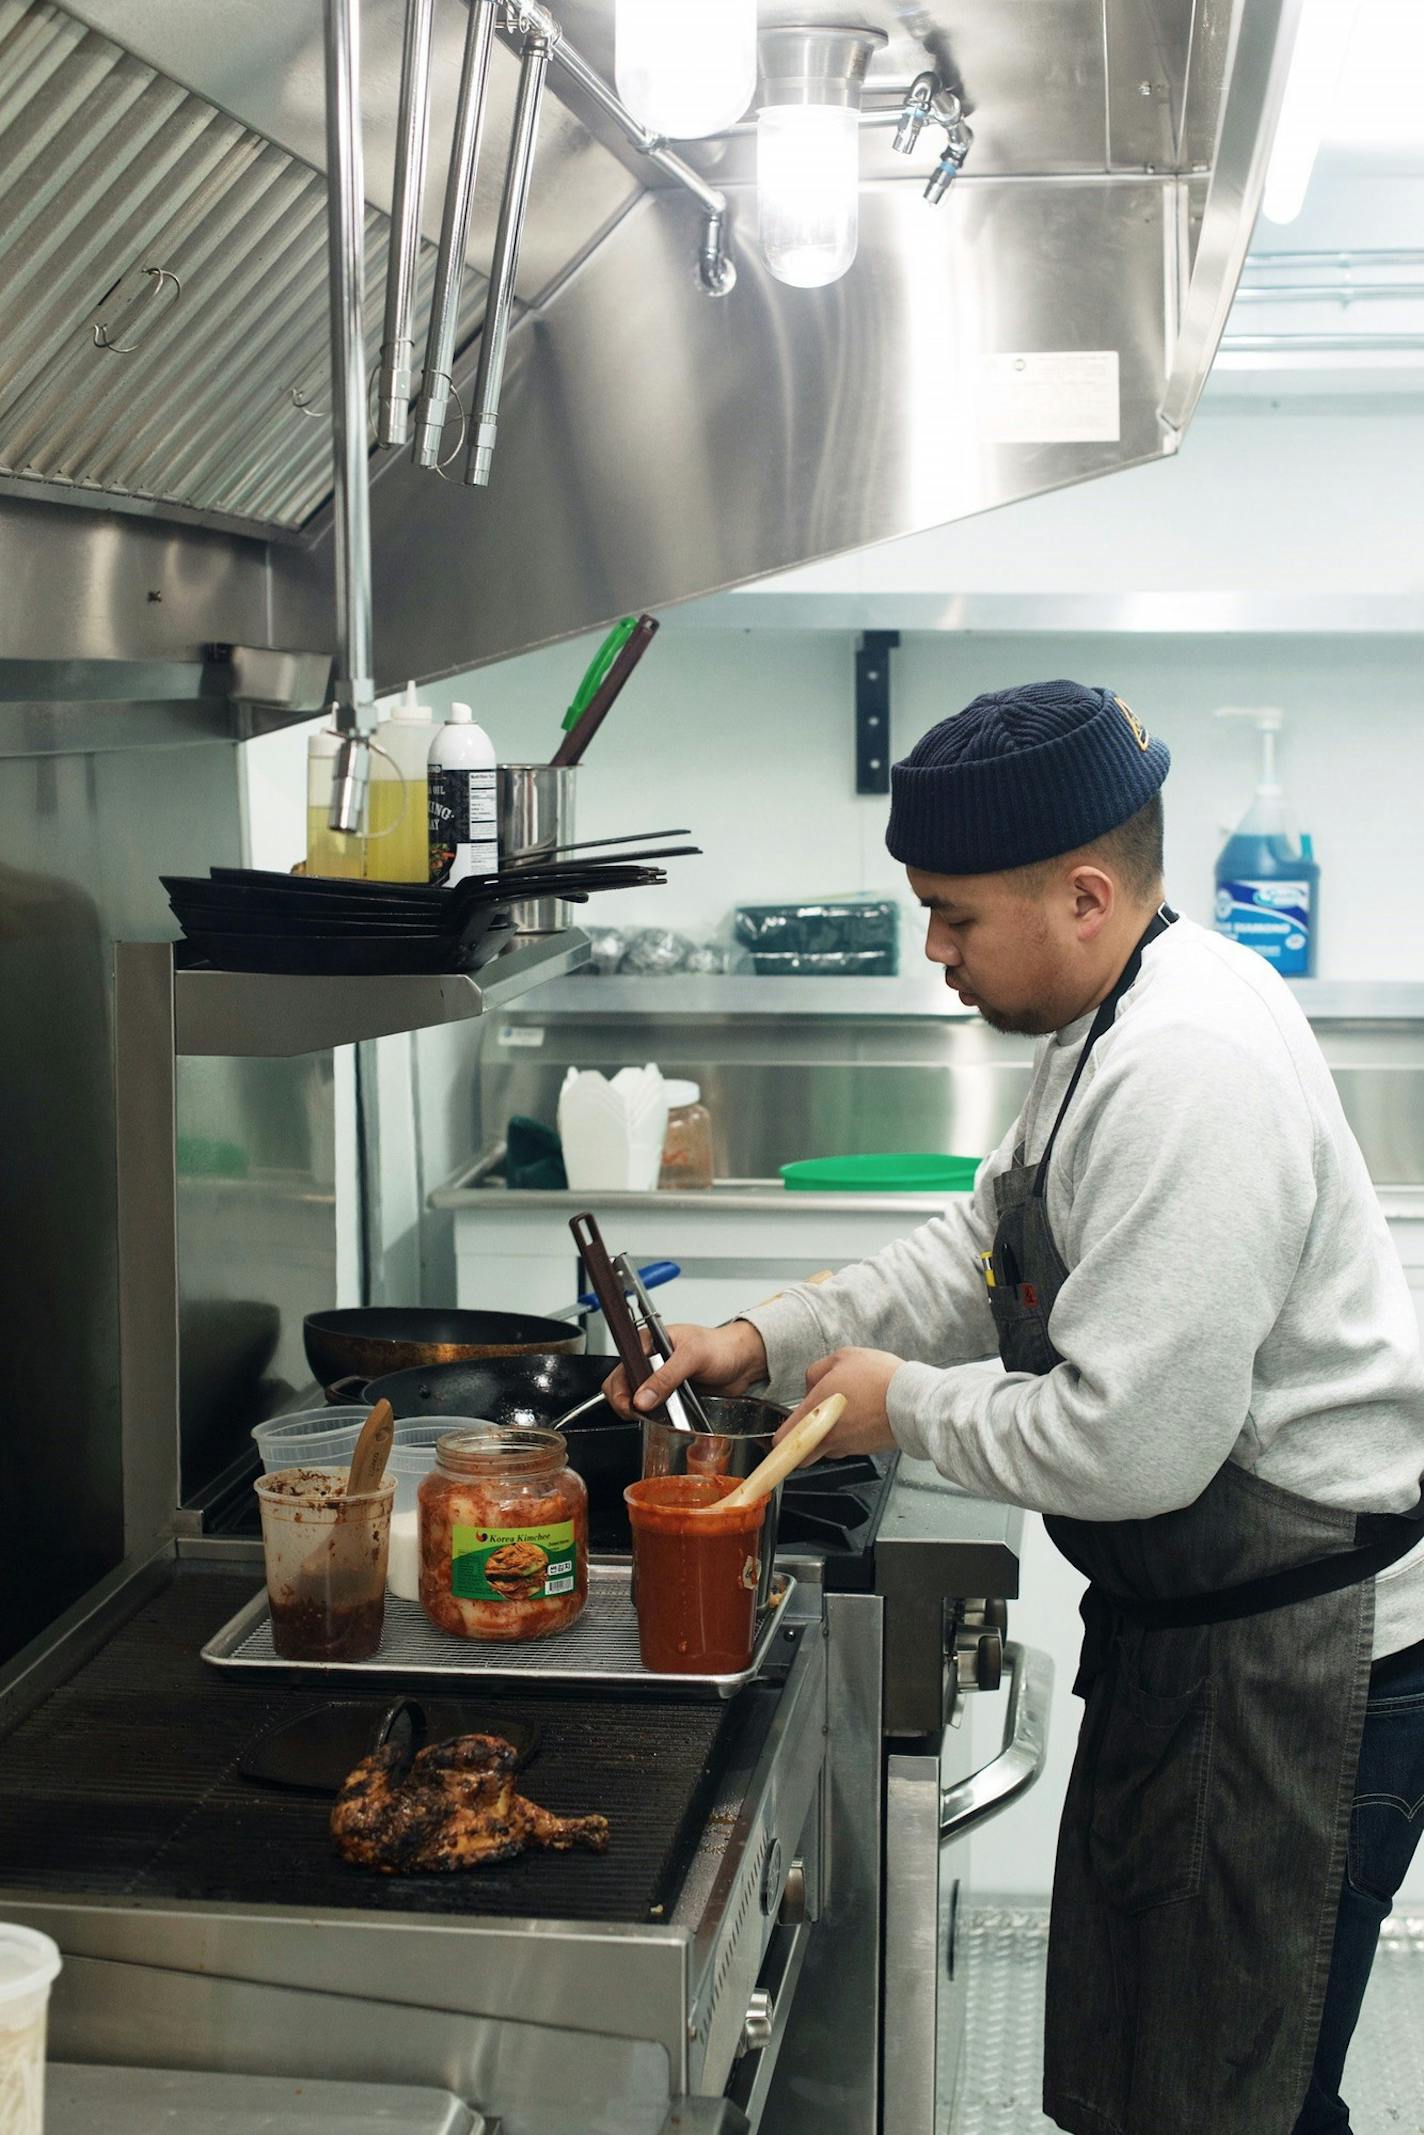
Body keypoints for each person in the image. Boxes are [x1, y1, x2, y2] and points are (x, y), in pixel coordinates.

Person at [605, 680, 1424, 2135]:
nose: (934, 952)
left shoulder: (1187, 1071)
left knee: (1222, 2102)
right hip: (1210, 1632)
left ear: (1089, 895)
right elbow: (982, 1255)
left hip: (1297, 1661)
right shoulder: (1108, 1024)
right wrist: (766, 1338)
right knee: (1166, 2084)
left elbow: (1133, 1445)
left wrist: (900, 1408)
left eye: (956, 917)